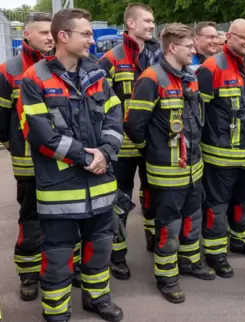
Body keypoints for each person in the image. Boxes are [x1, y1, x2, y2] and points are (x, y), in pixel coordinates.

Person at [17, 8, 124, 321]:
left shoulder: (97, 74)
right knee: (59, 254)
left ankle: (97, 299)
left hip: (100, 184)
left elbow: (115, 116)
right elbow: (40, 135)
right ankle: (56, 311)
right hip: (60, 187)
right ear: (63, 36)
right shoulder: (34, 78)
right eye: (86, 34)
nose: (92, 39)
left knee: (100, 246)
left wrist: (106, 151)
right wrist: (88, 157)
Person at [124, 23, 216, 304]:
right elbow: (134, 126)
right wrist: (153, 151)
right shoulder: (151, 79)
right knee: (169, 225)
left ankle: (190, 262)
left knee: (193, 218)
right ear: (172, 48)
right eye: (189, 46)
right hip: (166, 172)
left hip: (193, 168)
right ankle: (167, 277)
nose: (193, 51)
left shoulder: (190, 77)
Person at [0, 13, 83, 302]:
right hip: (28, 163)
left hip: (63, 159)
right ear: (26, 35)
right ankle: (29, 273)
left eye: (52, 32)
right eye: (43, 33)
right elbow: (1, 119)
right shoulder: (9, 70)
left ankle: (70, 268)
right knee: (32, 219)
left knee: (67, 216)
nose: (50, 37)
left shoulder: (64, 66)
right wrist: (12, 145)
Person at [196, 19, 245, 278]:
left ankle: (242, 240)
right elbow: (197, 115)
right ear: (229, 37)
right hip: (220, 156)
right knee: (216, 206)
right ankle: (216, 253)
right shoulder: (211, 67)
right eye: (243, 38)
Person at [98, 3, 161, 280]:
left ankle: (153, 238)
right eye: (146, 20)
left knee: (153, 195)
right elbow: (99, 107)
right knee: (119, 201)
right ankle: (117, 255)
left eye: (153, 21)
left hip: (151, 144)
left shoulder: (159, 56)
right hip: (121, 148)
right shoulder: (109, 60)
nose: (151, 25)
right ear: (130, 24)